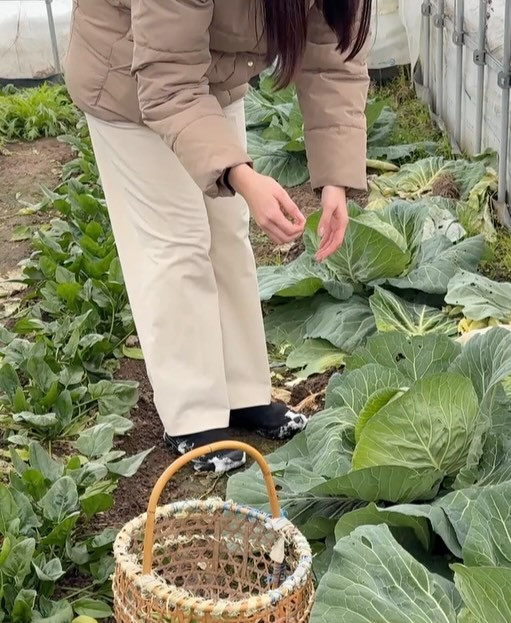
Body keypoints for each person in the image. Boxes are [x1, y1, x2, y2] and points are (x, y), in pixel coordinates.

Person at [64, 0, 371, 473]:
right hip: (129, 77)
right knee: (176, 243)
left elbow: (334, 50)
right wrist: (243, 177)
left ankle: (241, 395)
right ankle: (192, 417)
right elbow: (167, 80)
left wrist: (336, 178)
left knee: (228, 233)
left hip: (210, 76)